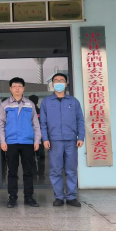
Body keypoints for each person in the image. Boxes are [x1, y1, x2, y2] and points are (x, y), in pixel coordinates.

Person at [40, 73, 85, 207]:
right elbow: (43, 123)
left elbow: (80, 120)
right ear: (52, 84)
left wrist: (80, 137)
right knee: (55, 170)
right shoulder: (46, 102)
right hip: (54, 141)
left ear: (66, 84)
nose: (59, 82)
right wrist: (45, 138)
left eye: (61, 80)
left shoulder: (73, 101)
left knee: (71, 170)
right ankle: (58, 197)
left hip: (71, 140)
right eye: (56, 80)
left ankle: (71, 197)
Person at [0, 77, 42, 208]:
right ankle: (12, 197)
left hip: (27, 142)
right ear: (10, 89)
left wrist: (37, 140)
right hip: (11, 142)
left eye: (19, 86)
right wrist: (2, 141)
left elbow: (36, 124)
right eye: (14, 86)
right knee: (12, 171)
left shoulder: (30, 104)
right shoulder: (5, 104)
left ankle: (29, 197)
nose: (17, 88)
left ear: (23, 88)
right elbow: (0, 124)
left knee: (28, 171)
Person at [28, 94, 46, 181]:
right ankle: (41, 174)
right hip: (38, 137)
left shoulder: (32, 111)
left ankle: (35, 174)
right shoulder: (39, 111)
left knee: (33, 157)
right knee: (40, 157)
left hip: (33, 137)